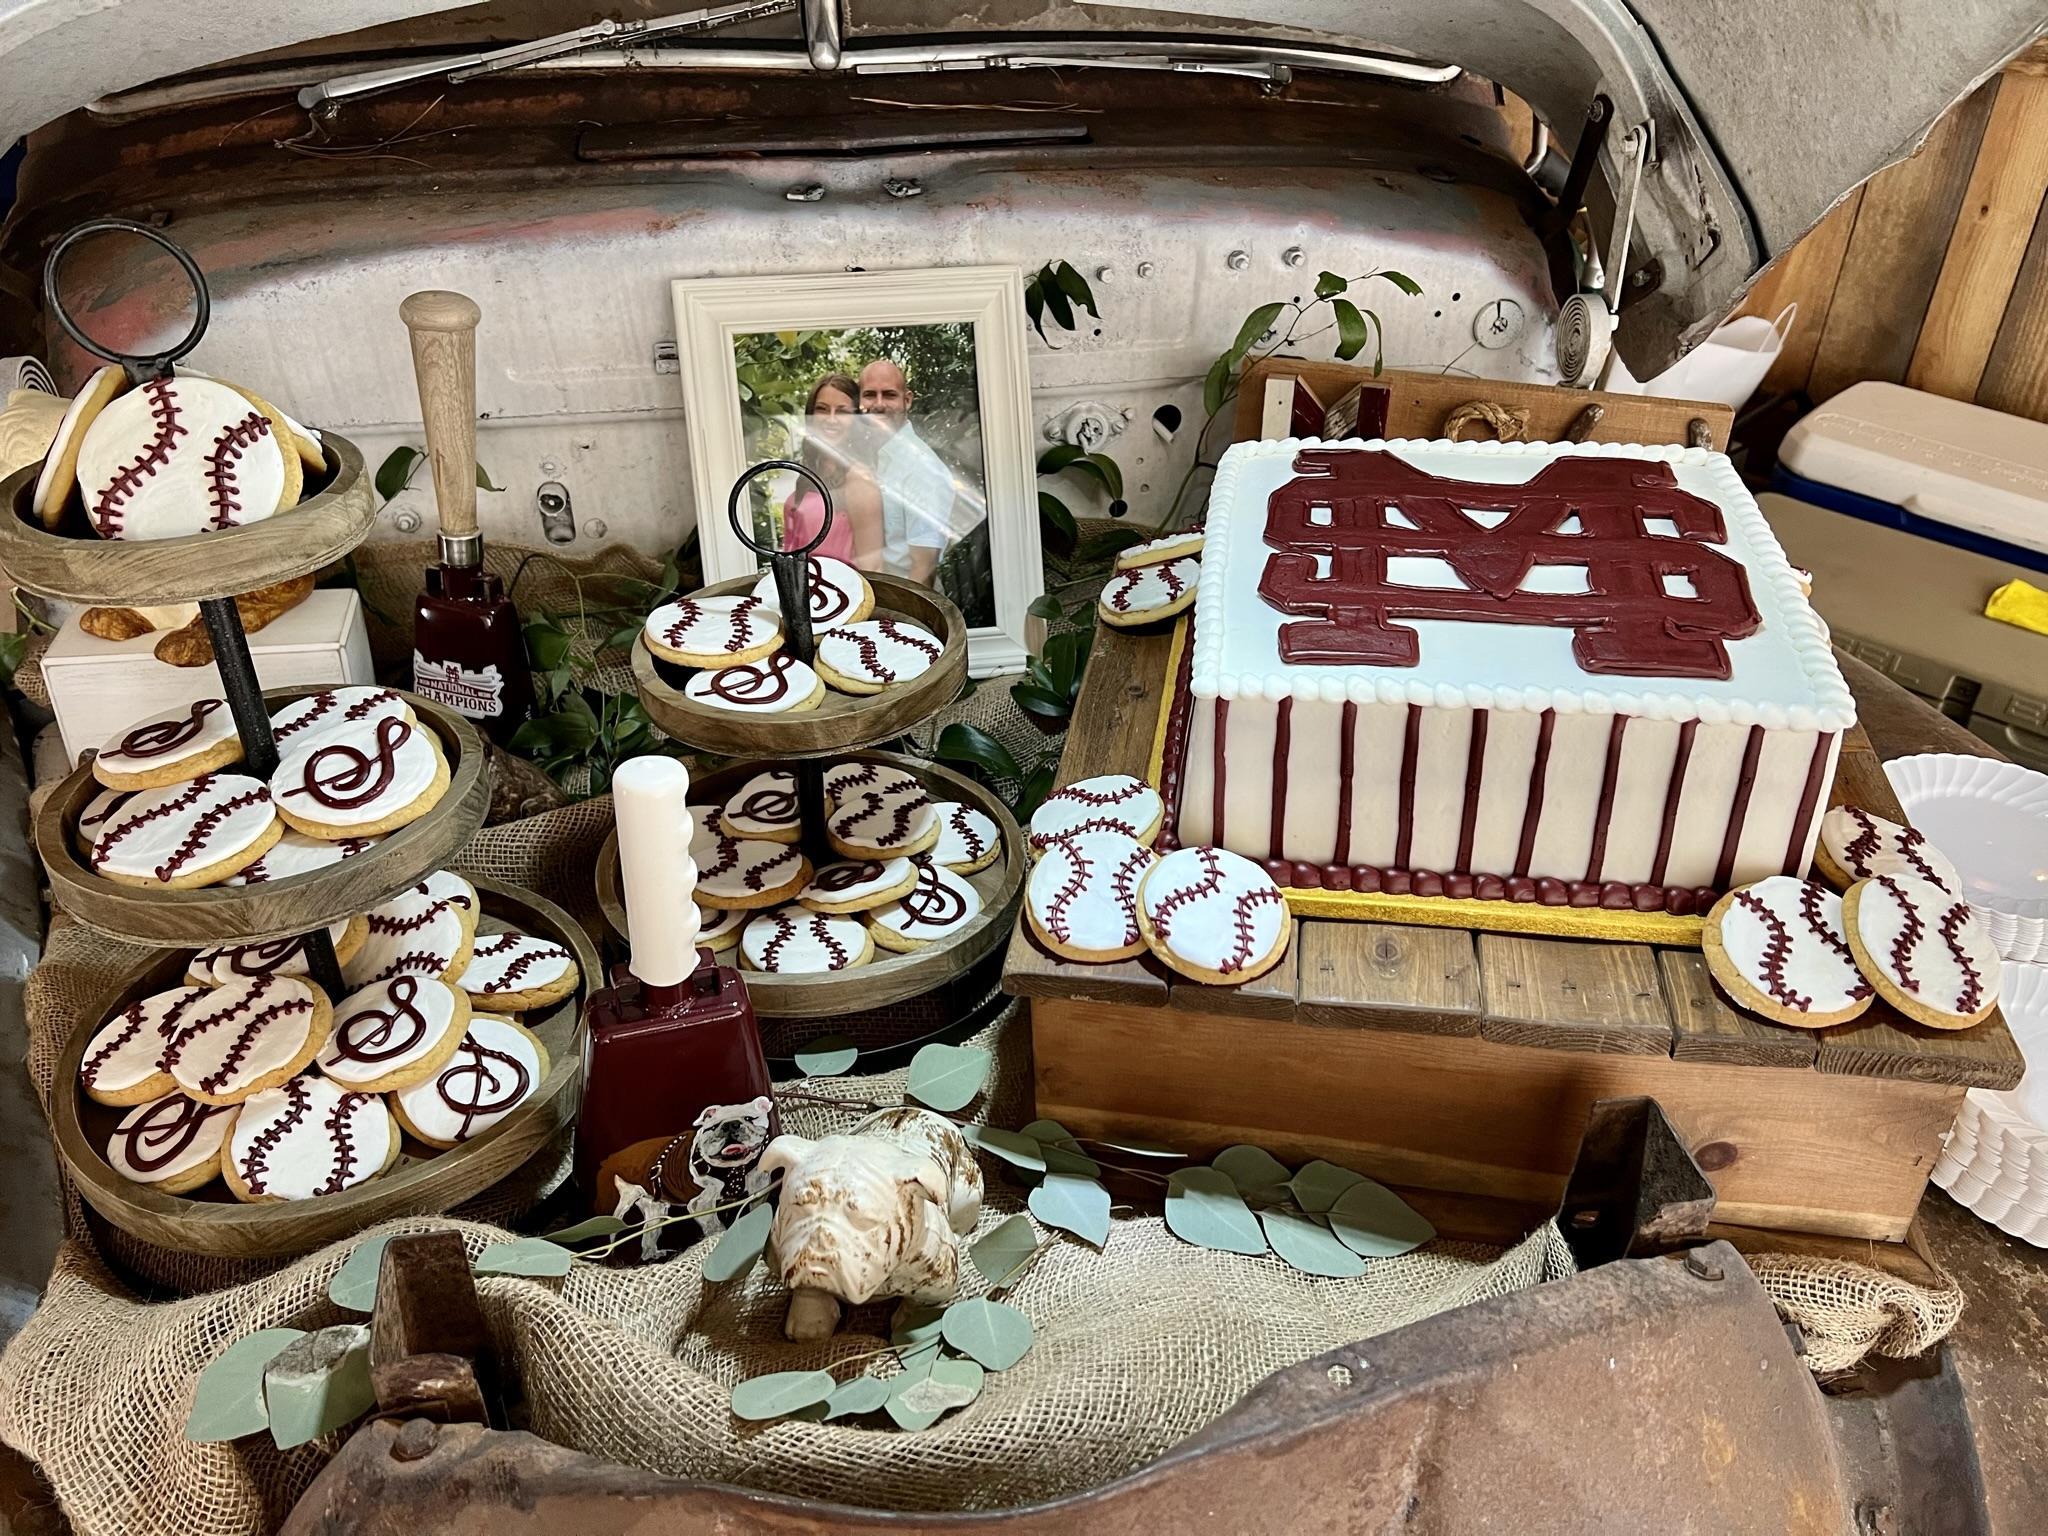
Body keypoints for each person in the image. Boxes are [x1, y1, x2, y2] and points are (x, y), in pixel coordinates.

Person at [859, 358, 963, 585]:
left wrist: (900, 609)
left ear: (907, 400)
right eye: (870, 394)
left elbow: (923, 569)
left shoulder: (922, 468)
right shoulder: (876, 457)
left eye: (889, 395)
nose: (879, 404)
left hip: (906, 599)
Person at [782, 373, 883, 570]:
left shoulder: (859, 479)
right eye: (822, 409)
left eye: (842, 412)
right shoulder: (811, 470)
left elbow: (872, 566)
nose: (831, 419)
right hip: (800, 585)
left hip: (839, 587)